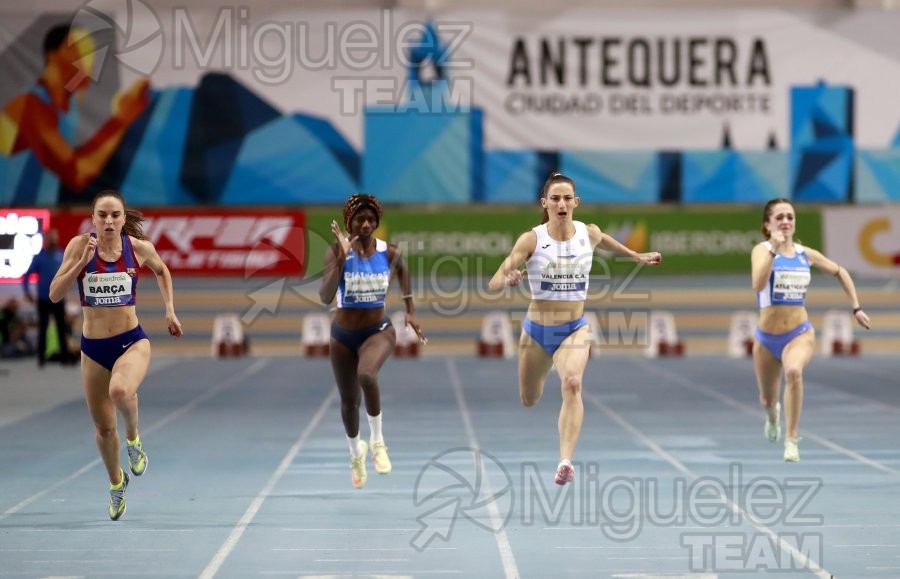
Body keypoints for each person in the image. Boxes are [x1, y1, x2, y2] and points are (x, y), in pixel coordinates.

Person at [489, 172, 662, 485]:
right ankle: (544, 381)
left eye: (567, 198)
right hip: (537, 333)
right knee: (529, 398)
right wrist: (509, 276)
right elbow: (495, 280)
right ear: (545, 203)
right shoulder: (532, 239)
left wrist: (635, 256)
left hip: (574, 329)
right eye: (555, 198)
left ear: (576, 202)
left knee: (572, 383)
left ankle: (565, 461)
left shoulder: (588, 233)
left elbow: (605, 241)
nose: (562, 203)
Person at [49, 190, 182, 520]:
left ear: (124, 220)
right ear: (93, 218)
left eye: (115, 215)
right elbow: (53, 294)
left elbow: (162, 270)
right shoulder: (80, 247)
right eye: (102, 215)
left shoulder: (137, 250)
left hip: (131, 342)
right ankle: (116, 483)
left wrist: (169, 310)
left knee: (120, 391)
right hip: (93, 350)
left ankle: (135, 440)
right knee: (105, 430)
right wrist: (81, 264)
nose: (108, 221)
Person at [318, 193, 426, 489]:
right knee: (349, 401)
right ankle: (356, 453)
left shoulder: (388, 253)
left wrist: (410, 310)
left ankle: (378, 442)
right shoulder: (335, 252)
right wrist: (341, 258)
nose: (365, 224)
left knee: (366, 374)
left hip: (378, 330)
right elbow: (325, 296)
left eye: (371, 219)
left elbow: (403, 272)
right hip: (342, 337)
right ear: (348, 223)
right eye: (359, 219)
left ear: (377, 222)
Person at [751, 198, 870, 463]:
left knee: (794, 372)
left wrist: (856, 307)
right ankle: (773, 416)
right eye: (779, 217)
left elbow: (841, 272)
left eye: (790, 216)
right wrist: (774, 251)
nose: (785, 221)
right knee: (767, 400)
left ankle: (791, 439)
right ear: (768, 225)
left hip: (798, 334)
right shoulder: (761, 250)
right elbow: (758, 284)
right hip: (766, 339)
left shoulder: (807, 255)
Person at [0, 23, 150, 206]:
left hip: (43, 217)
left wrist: (121, 116)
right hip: (11, 219)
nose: (84, 59)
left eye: (88, 52)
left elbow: (75, 159)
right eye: (76, 50)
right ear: (53, 55)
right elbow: (77, 173)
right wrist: (120, 121)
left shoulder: (67, 106)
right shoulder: (30, 104)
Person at [23, 229, 74, 367]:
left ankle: (64, 357)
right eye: (51, 237)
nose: (54, 240)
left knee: (61, 327)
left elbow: (69, 273)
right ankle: (41, 358)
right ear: (46, 239)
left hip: (59, 298)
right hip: (43, 299)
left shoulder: (61, 255)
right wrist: (27, 292)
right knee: (43, 327)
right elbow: (26, 275)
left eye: (55, 237)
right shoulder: (39, 257)